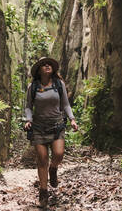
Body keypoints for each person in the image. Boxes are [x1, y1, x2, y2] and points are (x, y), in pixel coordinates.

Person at [24, 57, 78, 207]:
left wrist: (72, 119)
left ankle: (53, 169)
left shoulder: (59, 84)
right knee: (42, 159)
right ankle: (43, 192)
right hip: (39, 127)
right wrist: (28, 120)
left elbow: (65, 104)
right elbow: (28, 106)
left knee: (59, 154)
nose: (47, 66)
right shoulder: (33, 86)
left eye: (49, 64)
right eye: (43, 64)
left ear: (53, 69)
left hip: (57, 125)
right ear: (39, 70)